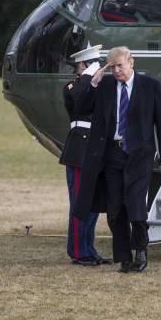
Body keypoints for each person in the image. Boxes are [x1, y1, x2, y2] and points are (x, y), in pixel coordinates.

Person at [73, 46, 161, 273]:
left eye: (120, 65)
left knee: (136, 204)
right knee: (116, 209)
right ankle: (124, 256)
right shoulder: (105, 86)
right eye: (113, 67)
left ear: (131, 63)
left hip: (140, 155)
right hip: (112, 155)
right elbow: (80, 107)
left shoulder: (150, 86)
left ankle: (140, 250)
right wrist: (93, 83)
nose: (117, 70)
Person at [60, 45, 112, 266]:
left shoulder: (97, 86)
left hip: (97, 150)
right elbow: (80, 101)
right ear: (82, 66)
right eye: (91, 65)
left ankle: (89, 249)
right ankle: (78, 252)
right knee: (80, 204)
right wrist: (88, 79)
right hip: (79, 150)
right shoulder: (74, 85)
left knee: (93, 204)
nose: (97, 69)